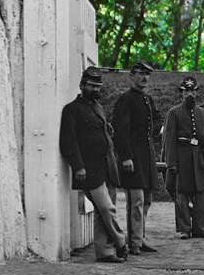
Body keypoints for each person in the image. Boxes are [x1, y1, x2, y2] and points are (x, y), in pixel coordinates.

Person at [59, 66, 128, 263]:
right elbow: (68, 141)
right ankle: (121, 242)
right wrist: (78, 166)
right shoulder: (71, 110)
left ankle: (105, 252)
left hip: (108, 165)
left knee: (101, 211)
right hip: (89, 169)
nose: (95, 90)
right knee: (107, 208)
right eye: (91, 86)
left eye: (98, 86)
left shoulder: (97, 108)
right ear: (82, 85)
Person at [112, 61, 160, 255]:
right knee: (136, 200)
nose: (144, 78)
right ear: (131, 77)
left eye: (147, 75)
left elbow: (154, 122)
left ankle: (140, 238)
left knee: (146, 200)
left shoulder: (147, 99)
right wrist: (125, 157)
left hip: (146, 155)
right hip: (132, 156)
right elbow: (120, 131)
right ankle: (134, 243)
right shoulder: (126, 99)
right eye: (140, 74)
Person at [162, 76, 204, 239]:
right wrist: (171, 162)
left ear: (196, 92)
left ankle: (200, 228)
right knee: (182, 196)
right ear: (182, 93)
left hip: (199, 157)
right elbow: (169, 139)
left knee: (201, 194)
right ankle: (185, 229)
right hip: (181, 157)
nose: (189, 94)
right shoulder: (173, 113)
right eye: (186, 92)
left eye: (192, 91)